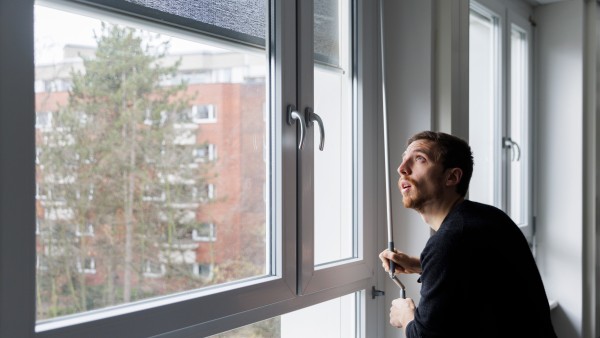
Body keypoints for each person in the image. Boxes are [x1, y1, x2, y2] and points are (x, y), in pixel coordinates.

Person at [379, 131, 557, 337]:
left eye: (419, 159)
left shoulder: (450, 240)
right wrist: (420, 265)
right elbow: (479, 270)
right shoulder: (488, 217)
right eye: (403, 160)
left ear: (452, 177)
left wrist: (406, 315)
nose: (402, 169)